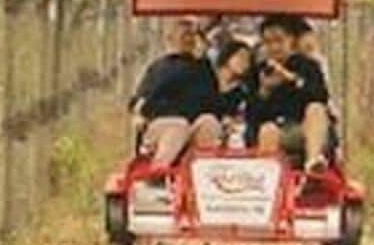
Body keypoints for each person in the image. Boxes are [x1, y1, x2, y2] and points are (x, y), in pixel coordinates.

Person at [245, 14, 334, 171]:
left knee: (316, 109)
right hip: (272, 131)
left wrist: (292, 79)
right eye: (268, 42)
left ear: (291, 40)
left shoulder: (308, 66)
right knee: (268, 130)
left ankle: (313, 162)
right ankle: (270, 183)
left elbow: (320, 97)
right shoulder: (258, 72)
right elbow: (251, 116)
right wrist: (265, 91)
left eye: (279, 41)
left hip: (305, 128)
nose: (274, 47)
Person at [129, 17, 222, 166]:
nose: (189, 39)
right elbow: (141, 98)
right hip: (164, 124)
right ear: (170, 38)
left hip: (194, 122)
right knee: (178, 126)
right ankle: (158, 171)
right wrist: (139, 112)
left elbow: (214, 101)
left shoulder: (203, 68)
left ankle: (205, 173)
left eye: (192, 35)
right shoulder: (159, 67)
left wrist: (202, 61)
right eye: (184, 34)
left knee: (209, 123)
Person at [211, 38, 256, 144]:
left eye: (248, 60)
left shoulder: (242, 91)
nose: (244, 63)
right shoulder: (207, 79)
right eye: (241, 57)